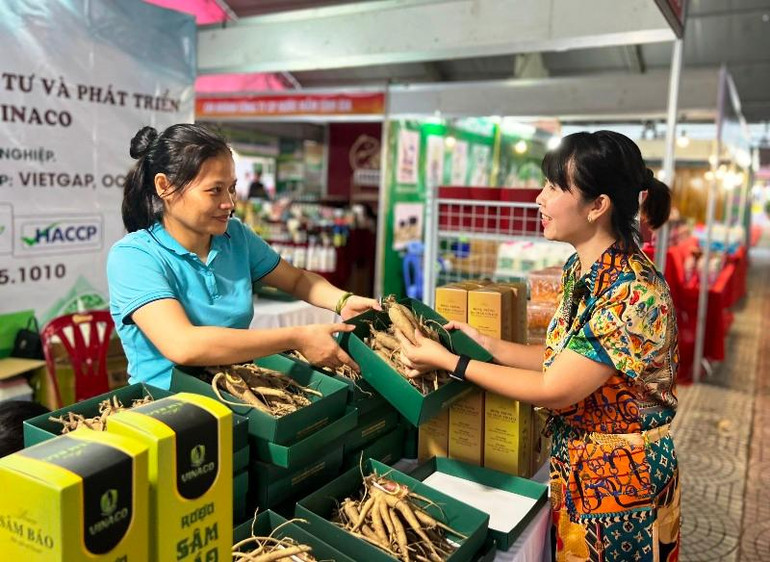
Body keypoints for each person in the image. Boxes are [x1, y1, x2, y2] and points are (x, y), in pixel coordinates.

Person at [399, 131, 680, 561]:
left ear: (597, 206)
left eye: (553, 187)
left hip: (623, 486)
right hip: (580, 470)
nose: (539, 198)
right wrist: (487, 344)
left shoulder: (632, 293)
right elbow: (560, 359)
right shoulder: (581, 270)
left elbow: (554, 388)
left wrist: (453, 362)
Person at [107, 123, 379, 390]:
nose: (229, 203)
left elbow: (296, 280)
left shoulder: (235, 236)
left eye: (231, 188)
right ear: (164, 186)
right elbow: (183, 345)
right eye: (215, 190)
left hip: (235, 392)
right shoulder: (134, 256)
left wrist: (343, 301)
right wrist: (297, 337)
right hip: (166, 405)